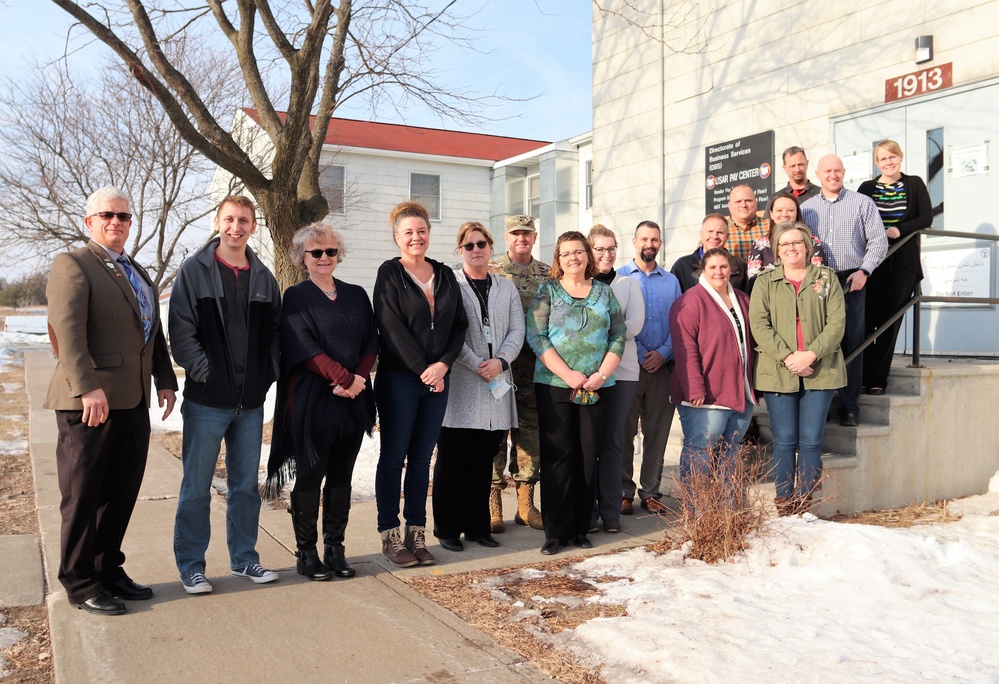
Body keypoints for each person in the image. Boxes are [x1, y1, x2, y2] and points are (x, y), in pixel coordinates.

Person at [45, 187, 178, 615]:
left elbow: (151, 333)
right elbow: (67, 332)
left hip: (132, 400)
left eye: (124, 216)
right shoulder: (73, 264)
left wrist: (165, 379)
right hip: (89, 403)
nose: (116, 222)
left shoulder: (137, 270)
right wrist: (87, 386)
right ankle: (81, 582)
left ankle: (107, 569)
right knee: (83, 496)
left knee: (120, 493)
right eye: (107, 215)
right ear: (89, 222)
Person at [170, 195, 282, 593]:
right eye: (230, 219)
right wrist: (205, 374)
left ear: (253, 226)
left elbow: (274, 336)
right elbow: (181, 334)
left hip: (249, 404)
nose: (237, 227)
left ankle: (244, 560)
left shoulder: (264, 277)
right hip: (206, 402)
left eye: (245, 220)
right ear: (218, 222)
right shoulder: (193, 272)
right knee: (196, 487)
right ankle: (191, 566)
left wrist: (265, 376)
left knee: (245, 487)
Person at [265, 223, 377, 580]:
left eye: (330, 251)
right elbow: (303, 347)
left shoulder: (357, 294)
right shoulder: (296, 297)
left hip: (353, 401)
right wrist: (344, 379)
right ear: (303, 258)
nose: (324, 257)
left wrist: (358, 380)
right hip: (314, 401)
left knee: (343, 476)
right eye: (316, 253)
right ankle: (306, 553)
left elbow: (372, 341)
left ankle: (335, 550)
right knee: (312, 475)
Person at [373, 201, 468, 566]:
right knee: (394, 458)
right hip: (399, 379)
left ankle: (416, 532)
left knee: (421, 461)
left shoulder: (444, 274)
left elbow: (459, 325)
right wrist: (422, 369)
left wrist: (442, 365)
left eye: (421, 231)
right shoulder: (389, 274)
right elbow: (389, 326)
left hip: (438, 380)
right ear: (397, 237)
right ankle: (390, 536)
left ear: (430, 234)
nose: (416, 237)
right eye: (408, 232)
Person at [527, 231, 626, 555]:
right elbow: (537, 337)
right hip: (556, 385)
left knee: (587, 456)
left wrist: (601, 374)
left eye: (579, 252)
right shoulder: (548, 292)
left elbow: (618, 336)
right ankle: (556, 531)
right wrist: (568, 374)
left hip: (597, 387)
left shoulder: (604, 292)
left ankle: (581, 528)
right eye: (567, 253)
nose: (574, 258)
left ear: (588, 256)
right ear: (558, 258)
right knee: (558, 456)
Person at [433, 222, 524, 551]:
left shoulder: (505, 287)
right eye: (469, 245)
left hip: (496, 384)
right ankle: (447, 528)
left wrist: (500, 362)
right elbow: (447, 333)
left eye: (481, 243)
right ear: (460, 251)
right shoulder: (450, 285)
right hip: (461, 383)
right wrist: (477, 364)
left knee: (483, 461)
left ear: (490, 247)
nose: (476, 250)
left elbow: (518, 329)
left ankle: (477, 527)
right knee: (453, 461)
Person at [749, 221, 846, 515]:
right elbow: (759, 325)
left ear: (807, 246)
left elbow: (837, 323)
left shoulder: (826, 279)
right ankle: (783, 501)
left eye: (796, 243)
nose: (791, 248)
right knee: (784, 440)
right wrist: (789, 357)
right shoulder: (765, 282)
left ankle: (804, 502)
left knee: (811, 441)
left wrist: (811, 355)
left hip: (821, 369)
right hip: (779, 371)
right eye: (785, 244)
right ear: (777, 251)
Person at [802, 155, 888, 427]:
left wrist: (865, 271)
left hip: (852, 279)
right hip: (817, 281)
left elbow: (878, 240)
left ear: (844, 173)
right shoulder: (806, 209)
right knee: (820, 342)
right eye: (827, 170)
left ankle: (850, 407)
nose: (833, 175)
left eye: (837, 170)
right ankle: (822, 405)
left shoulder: (862, 203)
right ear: (817, 174)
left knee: (852, 341)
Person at [669, 248, 757, 496]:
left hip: (739, 390)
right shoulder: (690, 301)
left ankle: (724, 515)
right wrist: (694, 387)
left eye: (724, 267)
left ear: (731, 269)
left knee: (730, 452)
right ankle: (697, 515)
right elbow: (684, 347)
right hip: (706, 394)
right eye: (713, 267)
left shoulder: (742, 299)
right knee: (700, 451)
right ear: (702, 271)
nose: (719, 272)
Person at [488, 215, 549, 532]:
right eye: (515, 233)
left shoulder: (548, 274)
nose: (521, 238)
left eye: (526, 233)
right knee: (496, 432)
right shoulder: (492, 270)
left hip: (533, 367)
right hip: (499, 365)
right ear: (506, 237)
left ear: (534, 237)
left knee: (530, 433)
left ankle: (526, 505)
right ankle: (493, 504)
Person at [857, 140, 932, 395]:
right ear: (877, 163)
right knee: (868, 320)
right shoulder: (867, 188)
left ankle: (877, 379)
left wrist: (901, 229)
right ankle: (862, 376)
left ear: (900, 157)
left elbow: (926, 217)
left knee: (891, 321)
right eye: (883, 159)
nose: (888, 163)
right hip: (873, 262)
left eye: (892, 157)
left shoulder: (914, 183)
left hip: (904, 262)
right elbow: (858, 219)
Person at [617, 220, 681, 514]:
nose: (649, 244)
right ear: (634, 241)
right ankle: (623, 490)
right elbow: (619, 323)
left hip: (662, 368)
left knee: (657, 431)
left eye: (655, 239)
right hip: (629, 367)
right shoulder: (619, 279)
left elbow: (678, 323)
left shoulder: (671, 281)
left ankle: (651, 492)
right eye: (644, 238)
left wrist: (664, 353)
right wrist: (643, 353)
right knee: (625, 431)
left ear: (660, 244)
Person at [587, 225, 644, 533]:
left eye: (611, 249)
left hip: (622, 372)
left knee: (613, 442)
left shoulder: (628, 284)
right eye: (600, 249)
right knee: (588, 442)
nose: (607, 255)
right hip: (587, 374)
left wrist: (593, 338)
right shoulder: (580, 284)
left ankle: (611, 513)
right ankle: (589, 509)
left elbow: (633, 326)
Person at [747, 192, 828, 281]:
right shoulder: (759, 245)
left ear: (797, 213)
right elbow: (754, 280)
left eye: (790, 210)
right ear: (771, 214)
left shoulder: (812, 242)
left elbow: (820, 277)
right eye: (779, 210)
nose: (785, 214)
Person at [671, 213, 749, 292]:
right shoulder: (682, 266)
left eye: (720, 232)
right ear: (701, 234)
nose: (714, 236)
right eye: (710, 231)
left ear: (727, 237)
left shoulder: (740, 266)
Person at [725, 185, 771, 262]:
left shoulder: (771, 226)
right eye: (738, 201)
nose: (743, 205)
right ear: (729, 206)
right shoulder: (717, 231)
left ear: (756, 203)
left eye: (748, 200)